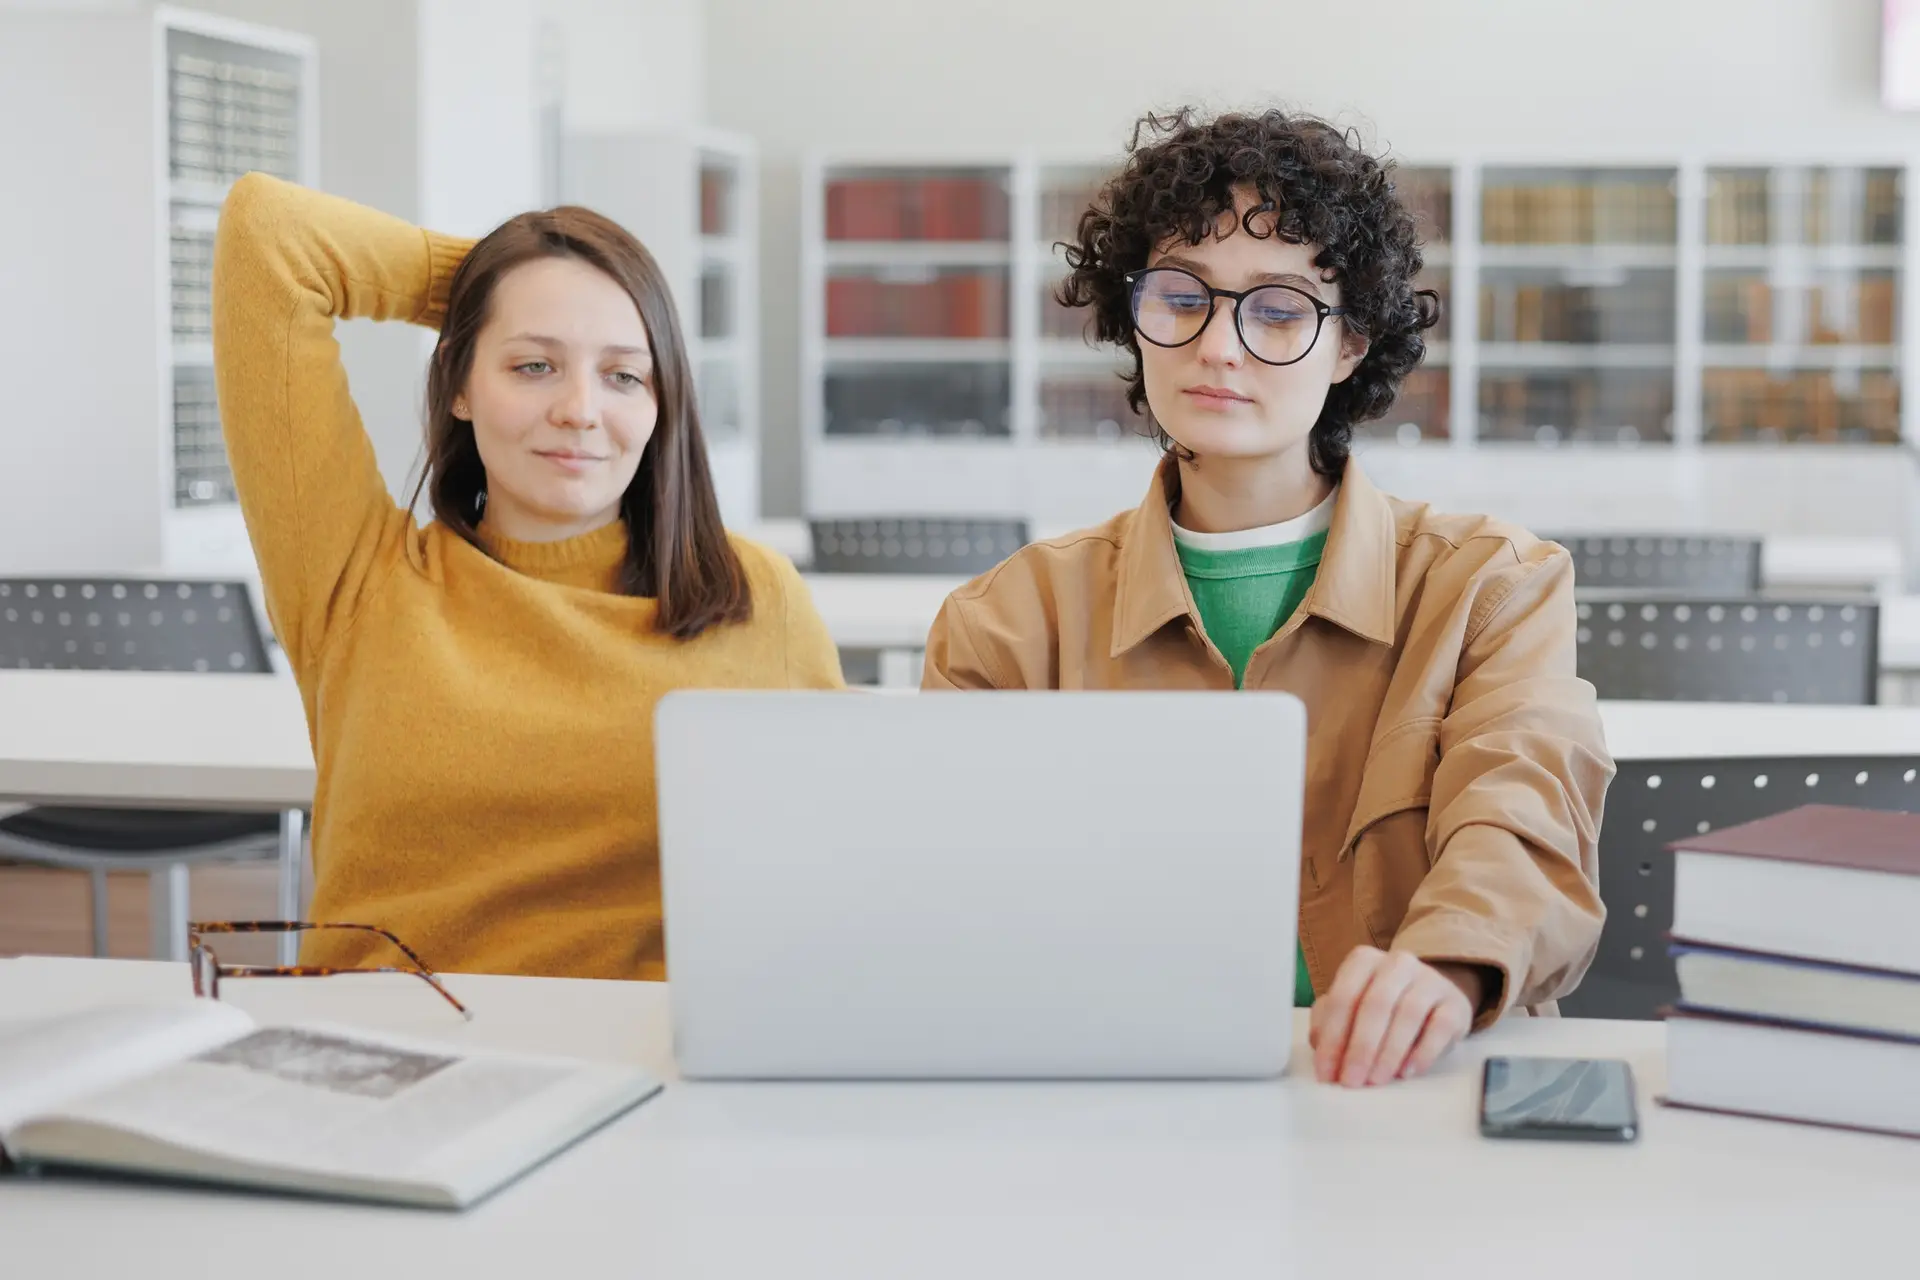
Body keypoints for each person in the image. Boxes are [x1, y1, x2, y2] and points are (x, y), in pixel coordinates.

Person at [921, 109, 1613, 1087]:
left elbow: (1525, 815)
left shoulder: (1487, 585)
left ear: (1349, 343)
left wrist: (1448, 965)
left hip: (1396, 1095)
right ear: (1134, 319)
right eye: (1180, 298)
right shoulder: (1006, 620)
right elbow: (952, 901)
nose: (1219, 346)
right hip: (1106, 1095)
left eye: (1279, 309)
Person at [212, 173, 842, 981]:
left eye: (624, 375)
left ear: (662, 404)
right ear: (461, 383)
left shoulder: (758, 598)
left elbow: (831, 875)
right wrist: (502, 280)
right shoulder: (360, 577)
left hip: (649, 1066)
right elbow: (270, 237)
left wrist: (536, 311)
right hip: (396, 1062)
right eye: (535, 365)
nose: (581, 409)